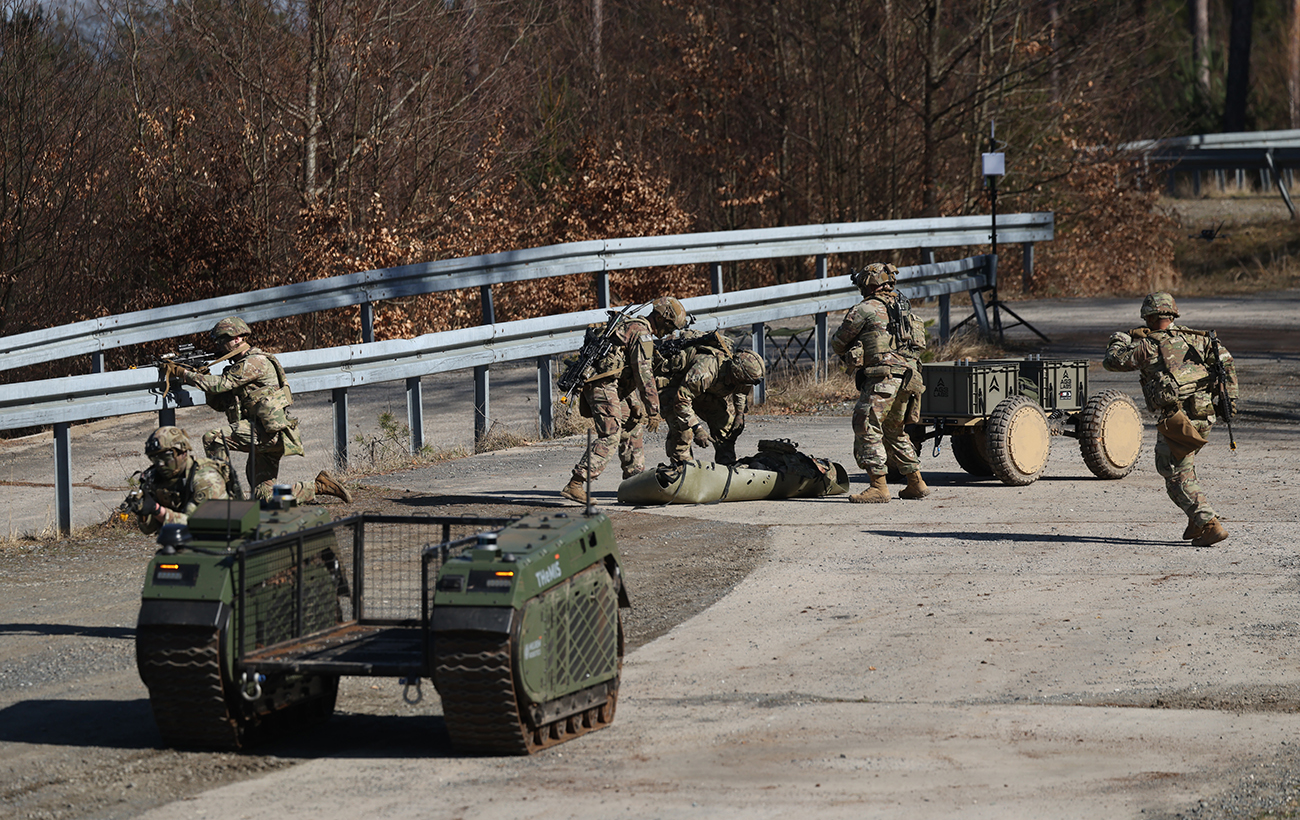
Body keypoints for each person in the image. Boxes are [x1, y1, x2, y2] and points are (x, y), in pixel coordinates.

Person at [162, 316, 353, 505]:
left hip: (269, 434)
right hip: (267, 434)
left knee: (213, 438)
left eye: (223, 340)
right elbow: (219, 403)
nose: (219, 346)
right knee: (264, 498)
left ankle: (223, 494)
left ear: (238, 339)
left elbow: (219, 384)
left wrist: (185, 374)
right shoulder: (238, 369)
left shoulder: (254, 362)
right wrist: (204, 376)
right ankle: (318, 487)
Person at [1103, 292, 1238, 546]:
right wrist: (1229, 401)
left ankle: (1209, 524)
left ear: (1149, 317)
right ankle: (1195, 521)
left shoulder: (1149, 345)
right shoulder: (1197, 338)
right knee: (1185, 467)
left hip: (1178, 419)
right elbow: (1226, 363)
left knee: (1174, 473)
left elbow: (1112, 361)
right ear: (1173, 314)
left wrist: (1120, 338)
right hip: (1205, 415)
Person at [560, 297, 688, 503]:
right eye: (670, 326)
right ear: (660, 319)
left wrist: (635, 404)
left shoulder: (632, 326)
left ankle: (634, 483)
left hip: (611, 385)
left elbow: (625, 371)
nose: (669, 332)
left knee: (632, 425)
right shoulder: (641, 333)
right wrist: (653, 410)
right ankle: (576, 483)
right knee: (610, 434)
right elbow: (644, 375)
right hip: (602, 385)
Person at [830, 263, 930, 503]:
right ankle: (916, 483)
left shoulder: (865, 309)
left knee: (866, 425)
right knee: (895, 430)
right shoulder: (904, 308)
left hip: (883, 378)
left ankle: (878, 487)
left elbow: (839, 342)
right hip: (909, 379)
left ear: (868, 284)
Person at [662, 344, 765, 465]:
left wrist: (740, 414)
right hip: (673, 389)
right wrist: (697, 428)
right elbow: (681, 400)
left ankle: (726, 465)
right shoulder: (705, 371)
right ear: (736, 374)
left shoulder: (740, 377)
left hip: (700, 392)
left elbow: (741, 391)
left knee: (725, 426)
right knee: (683, 432)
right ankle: (682, 468)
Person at [127, 426, 231, 535]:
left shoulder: (206, 478)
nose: (160, 464)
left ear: (183, 452)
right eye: (155, 458)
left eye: (166, 457)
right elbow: (149, 529)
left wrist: (157, 509)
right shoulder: (159, 479)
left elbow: (199, 525)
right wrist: (143, 510)